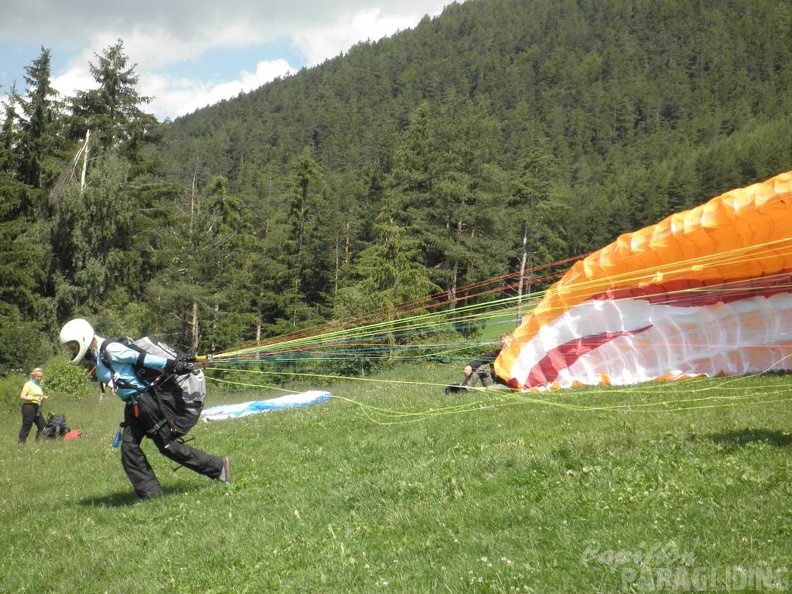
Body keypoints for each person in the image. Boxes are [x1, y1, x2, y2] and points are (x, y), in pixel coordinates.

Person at [59, 318, 231, 499]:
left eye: (73, 345)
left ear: (83, 339)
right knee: (129, 449)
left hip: (145, 403)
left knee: (167, 446)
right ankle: (151, 495)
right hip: (133, 405)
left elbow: (144, 359)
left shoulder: (110, 349)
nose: (72, 350)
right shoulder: (99, 354)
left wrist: (174, 365)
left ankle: (218, 467)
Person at [18, 367, 48, 444]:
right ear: (34, 375)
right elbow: (22, 396)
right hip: (28, 406)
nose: (39, 378)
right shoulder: (28, 384)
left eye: (41, 377)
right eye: (38, 376)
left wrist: (43, 397)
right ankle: (21, 443)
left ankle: (37, 443)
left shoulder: (38, 385)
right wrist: (33, 399)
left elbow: (38, 396)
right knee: (27, 424)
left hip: (36, 407)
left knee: (42, 425)